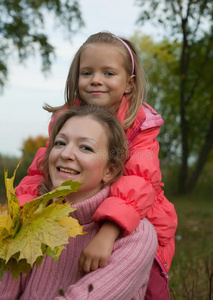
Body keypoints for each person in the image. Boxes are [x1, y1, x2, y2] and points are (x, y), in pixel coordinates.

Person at [15, 32, 178, 299]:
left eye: (108, 73)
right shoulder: (68, 119)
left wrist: (110, 232)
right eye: (87, 72)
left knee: (147, 286)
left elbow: (140, 179)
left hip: (136, 213)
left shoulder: (141, 125)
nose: (96, 80)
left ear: (128, 83)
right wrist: (22, 213)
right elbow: (40, 170)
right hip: (80, 210)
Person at [0, 105, 158, 300]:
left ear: (109, 170)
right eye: (60, 143)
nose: (65, 154)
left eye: (86, 147)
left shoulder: (136, 237)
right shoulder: (31, 219)